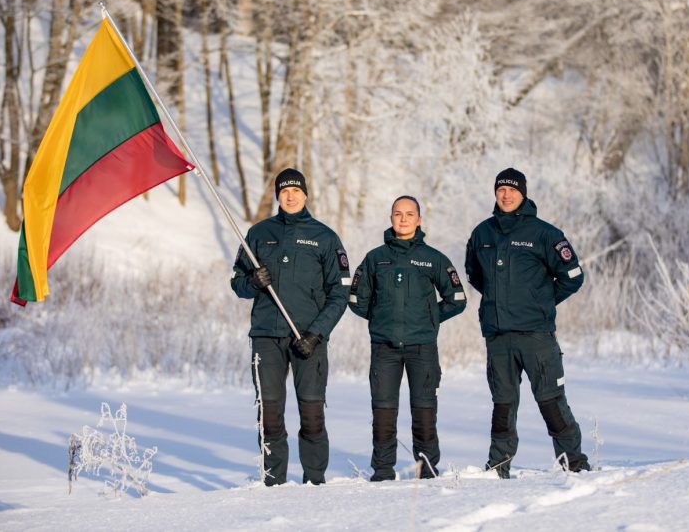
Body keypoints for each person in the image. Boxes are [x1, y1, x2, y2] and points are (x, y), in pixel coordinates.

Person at [464, 168, 590, 477]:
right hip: (498, 336)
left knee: (550, 400)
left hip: (536, 335)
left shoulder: (544, 234)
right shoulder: (483, 233)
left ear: (523, 193)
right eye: (500, 190)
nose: (505, 195)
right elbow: (475, 275)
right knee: (503, 404)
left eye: (512, 190)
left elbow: (573, 277)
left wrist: (540, 302)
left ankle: (574, 463)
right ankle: (498, 466)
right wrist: (502, 302)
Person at [230, 168, 351, 486]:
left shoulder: (325, 237)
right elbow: (237, 283)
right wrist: (253, 282)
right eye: (284, 190)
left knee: (311, 416)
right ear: (277, 195)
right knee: (269, 415)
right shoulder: (258, 233)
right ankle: (273, 482)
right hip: (266, 336)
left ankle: (315, 482)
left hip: (308, 337)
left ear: (306, 194)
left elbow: (340, 294)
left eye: (296, 190)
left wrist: (316, 333)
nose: (290, 195)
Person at [348, 195, 467, 481]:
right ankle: (383, 468)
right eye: (398, 214)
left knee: (424, 410)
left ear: (419, 219)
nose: (403, 218)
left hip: (422, 348)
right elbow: (356, 298)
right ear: (391, 218)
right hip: (384, 348)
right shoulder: (375, 258)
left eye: (409, 214)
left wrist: (428, 318)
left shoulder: (433, 259)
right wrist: (381, 319)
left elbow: (457, 299)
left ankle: (426, 467)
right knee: (383, 411)